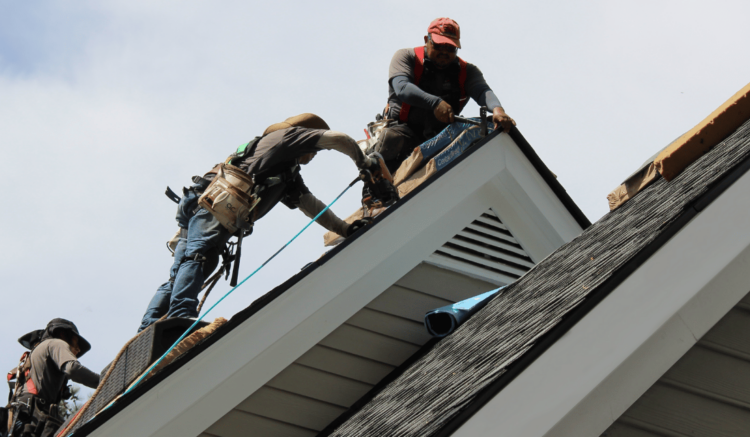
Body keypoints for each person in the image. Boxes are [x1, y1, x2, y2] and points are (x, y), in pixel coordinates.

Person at [138, 114, 376, 332]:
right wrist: (363, 162)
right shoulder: (289, 138)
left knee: (185, 269)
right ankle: (181, 314)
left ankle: (148, 329)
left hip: (203, 204)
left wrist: (343, 229)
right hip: (215, 206)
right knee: (199, 258)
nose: (314, 155)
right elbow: (339, 139)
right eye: (314, 151)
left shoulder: (284, 167)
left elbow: (309, 204)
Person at [376, 17, 517, 174]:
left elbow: (482, 90)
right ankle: (377, 189)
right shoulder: (407, 57)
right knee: (392, 139)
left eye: (450, 48)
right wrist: (435, 103)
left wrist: (498, 110)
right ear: (426, 40)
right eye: (438, 45)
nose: (444, 52)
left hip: (440, 140)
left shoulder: (467, 72)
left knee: (476, 142)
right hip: (403, 132)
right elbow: (402, 88)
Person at [9, 318, 100, 437]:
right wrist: (104, 380)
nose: (78, 349)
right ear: (63, 334)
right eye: (76, 342)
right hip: (35, 422)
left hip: (25, 423)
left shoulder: (37, 353)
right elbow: (72, 369)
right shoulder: (56, 343)